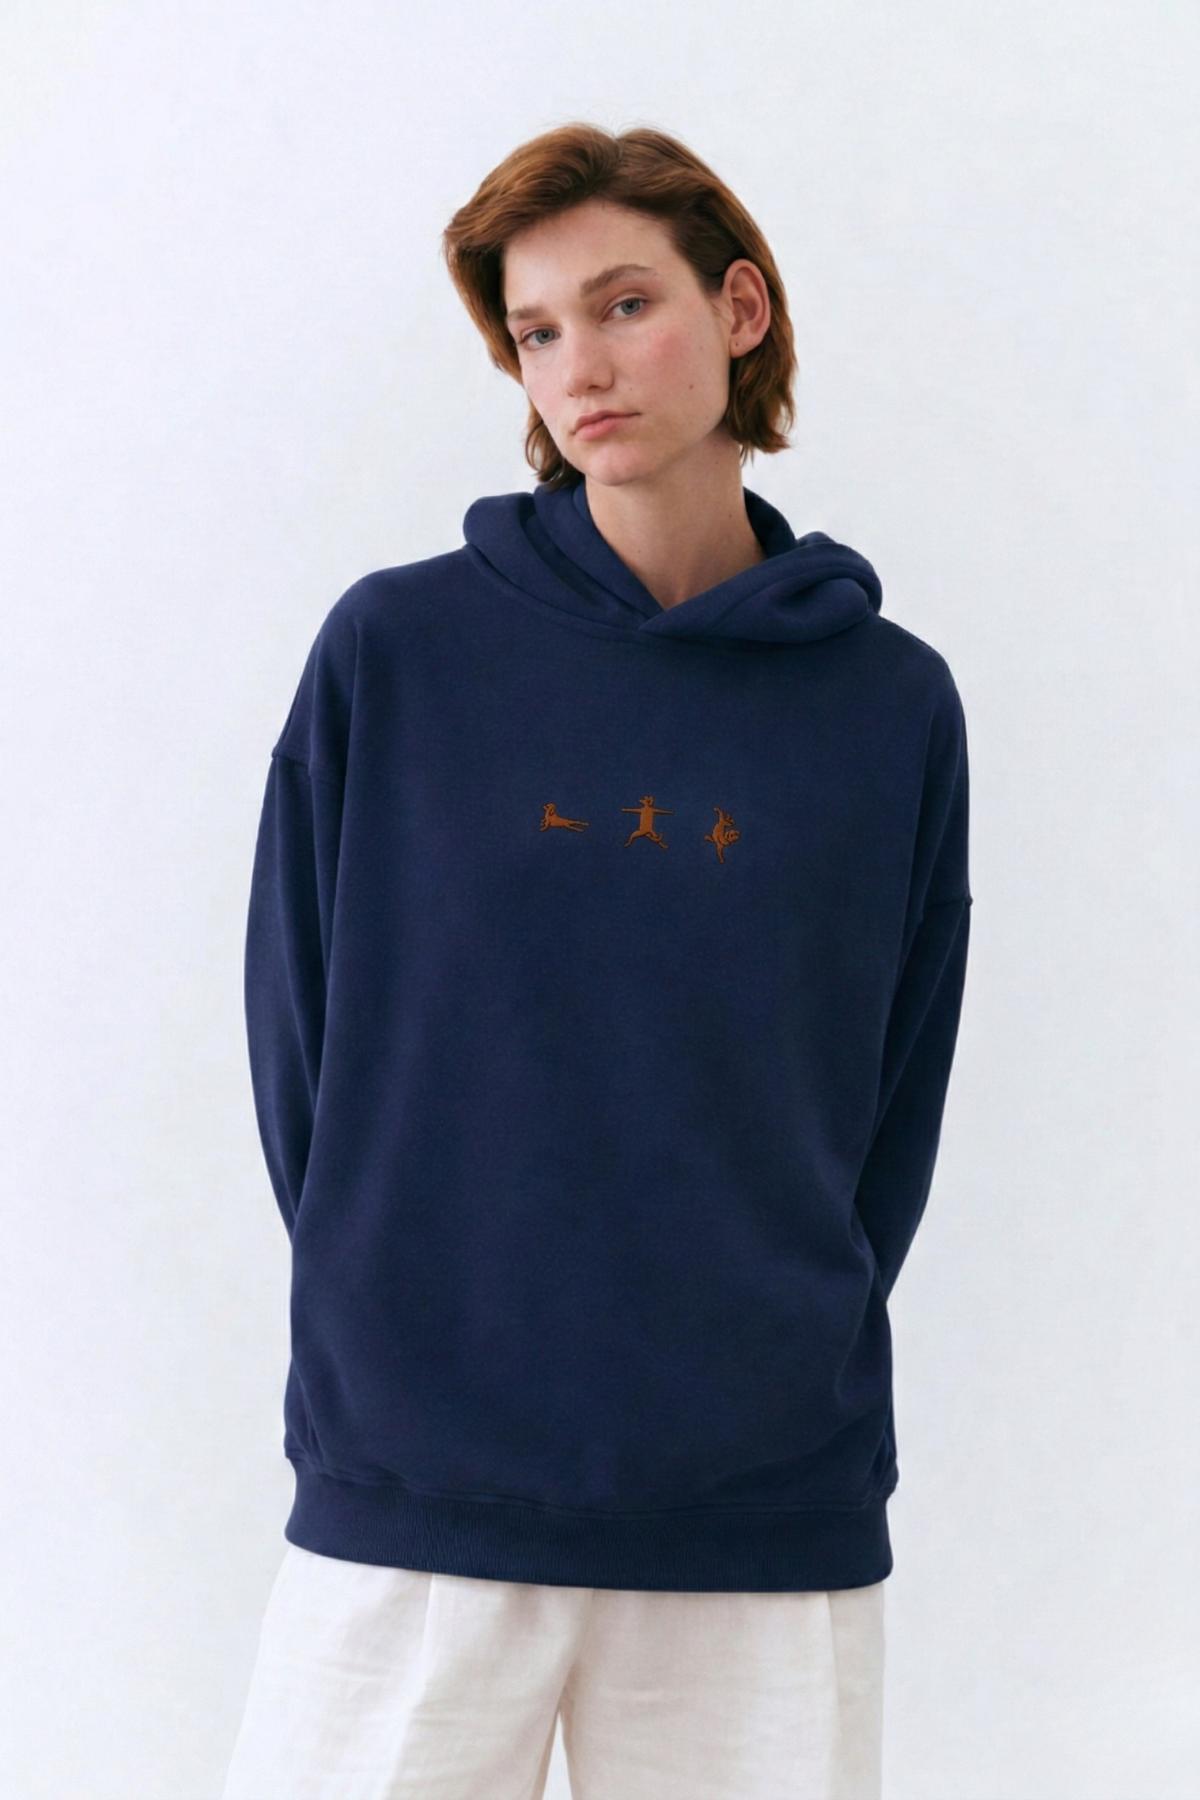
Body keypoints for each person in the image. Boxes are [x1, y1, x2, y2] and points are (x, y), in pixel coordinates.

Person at [221, 122, 972, 1800]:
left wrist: (780, 1339)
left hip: (761, 1493)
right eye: (537, 330)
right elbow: (299, 1045)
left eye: (625, 305)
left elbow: (892, 1089)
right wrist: (393, 1311)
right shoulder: (398, 652)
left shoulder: (887, 704)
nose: (580, 366)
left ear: (741, 309)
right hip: (418, 1479)